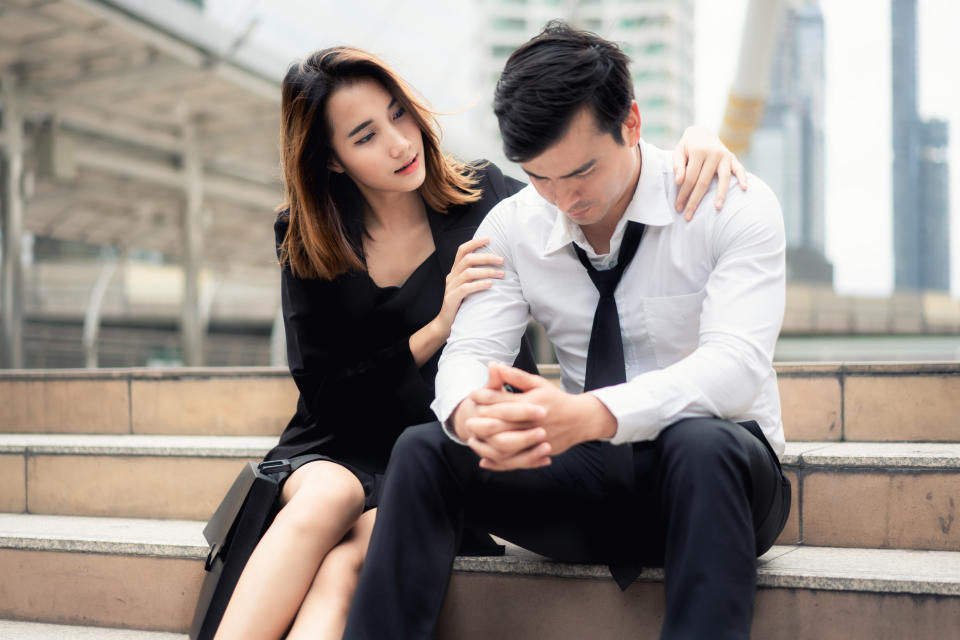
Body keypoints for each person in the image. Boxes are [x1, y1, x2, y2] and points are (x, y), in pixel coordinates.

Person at [212, 44, 748, 640]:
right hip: (341, 438)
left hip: (438, 446)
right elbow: (325, 393)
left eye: (399, 113)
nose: (398, 142)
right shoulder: (308, 233)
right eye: (364, 136)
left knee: (346, 562)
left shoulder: (482, 196)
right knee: (328, 497)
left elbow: (584, 173)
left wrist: (695, 144)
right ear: (331, 161)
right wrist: (437, 329)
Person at [342, 22, 791, 640]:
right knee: (425, 447)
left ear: (631, 123)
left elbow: (737, 370)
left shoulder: (727, 203)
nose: (564, 199)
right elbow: (470, 352)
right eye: (539, 176)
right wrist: (471, 414)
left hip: (723, 487)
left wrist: (594, 415)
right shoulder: (513, 226)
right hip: (591, 482)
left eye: (581, 171)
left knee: (700, 443)